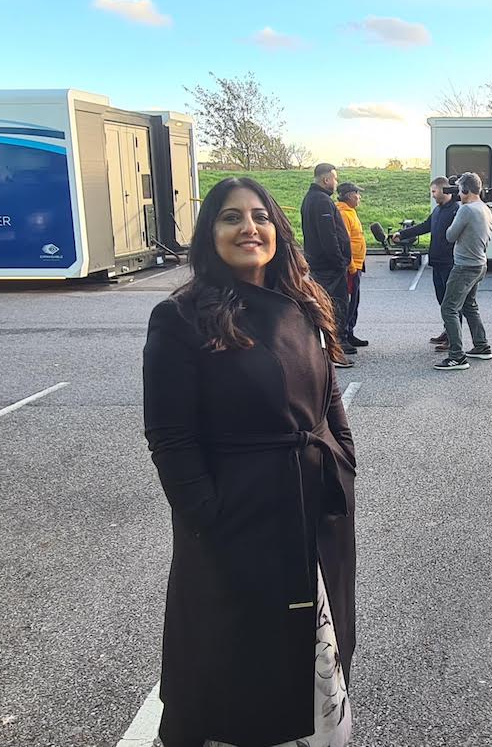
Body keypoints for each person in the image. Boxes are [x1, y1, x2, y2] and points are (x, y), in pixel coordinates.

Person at [142, 177, 358, 747]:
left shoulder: (302, 300)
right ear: (209, 232)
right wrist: (205, 515)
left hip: (311, 504)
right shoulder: (181, 317)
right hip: (237, 516)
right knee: (234, 651)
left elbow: (328, 393)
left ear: (277, 229)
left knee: (311, 638)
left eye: (259, 216)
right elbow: (169, 435)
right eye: (230, 217)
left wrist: (342, 455)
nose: (248, 228)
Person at [435, 172, 492, 371]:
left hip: (464, 266)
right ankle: (481, 346)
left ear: (466, 190)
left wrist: (459, 209)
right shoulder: (485, 208)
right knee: (470, 306)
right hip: (479, 264)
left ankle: (457, 357)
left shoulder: (466, 210)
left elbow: (450, 236)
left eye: (459, 190)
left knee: (448, 308)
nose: (457, 194)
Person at [394, 177, 459, 346]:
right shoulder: (438, 210)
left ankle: (454, 339)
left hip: (449, 263)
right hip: (436, 262)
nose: (432, 195)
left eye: (434, 191)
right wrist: (402, 234)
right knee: (441, 300)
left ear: (444, 190)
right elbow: (424, 226)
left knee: (450, 302)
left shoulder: (456, 210)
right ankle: (448, 331)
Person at [302, 162, 356, 363]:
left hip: (320, 264)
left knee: (326, 304)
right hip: (329, 266)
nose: (336, 182)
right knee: (336, 305)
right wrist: (340, 261)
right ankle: (337, 348)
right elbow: (328, 236)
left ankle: (332, 345)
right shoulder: (321, 201)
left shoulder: (311, 199)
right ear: (326, 179)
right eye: (335, 178)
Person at [335, 182, 368, 349]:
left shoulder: (350, 212)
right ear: (348, 195)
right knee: (347, 301)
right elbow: (344, 242)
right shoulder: (343, 214)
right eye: (357, 193)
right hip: (351, 266)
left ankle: (350, 332)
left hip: (357, 264)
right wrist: (351, 265)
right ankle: (342, 336)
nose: (359, 197)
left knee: (355, 301)